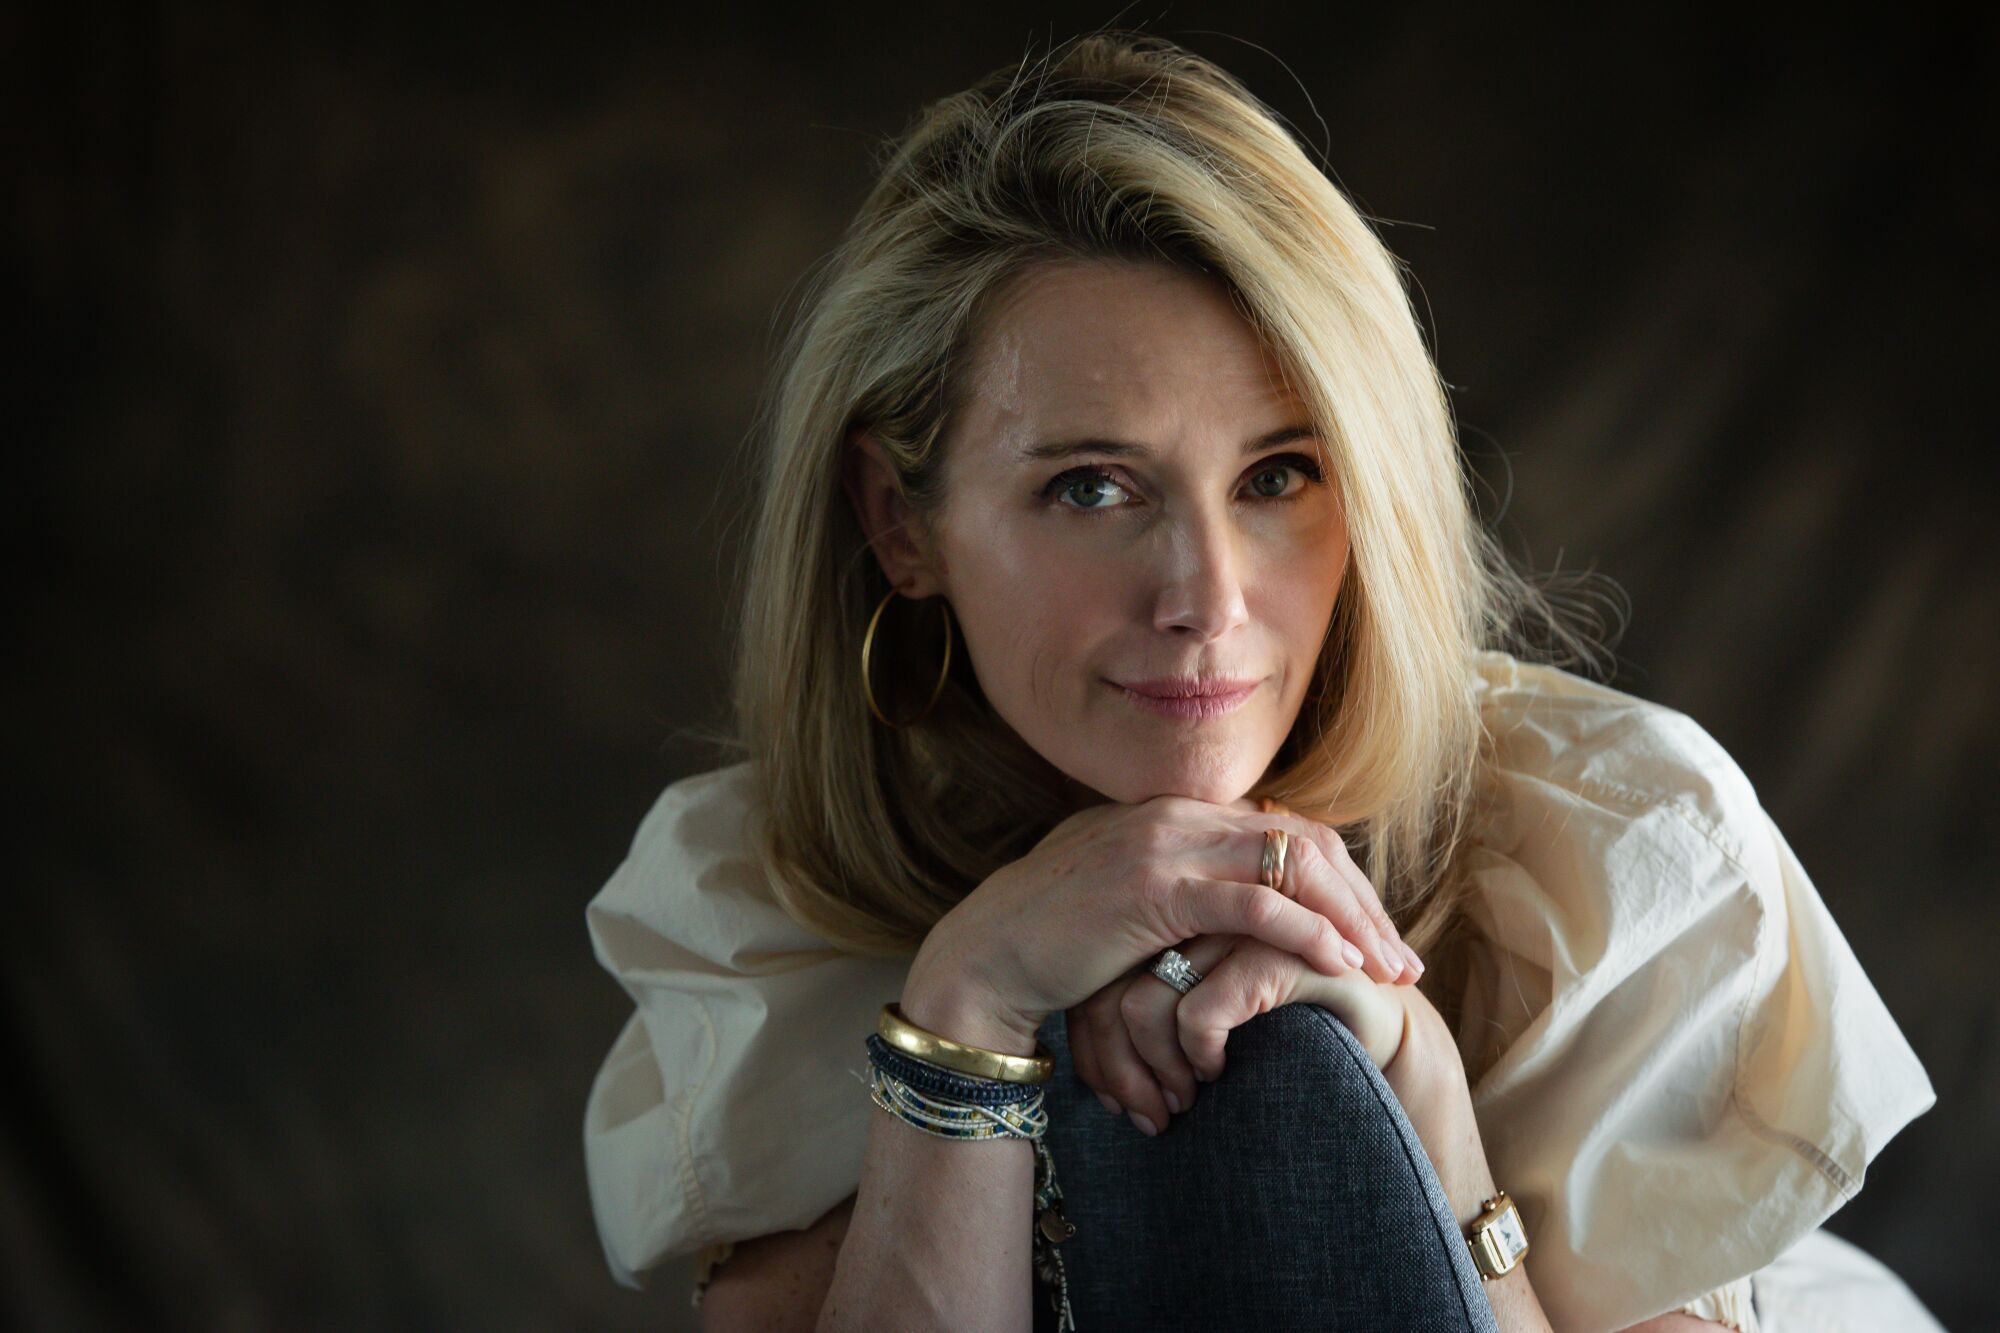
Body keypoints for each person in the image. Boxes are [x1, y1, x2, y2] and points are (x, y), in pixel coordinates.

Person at [581, 31, 1939, 1332]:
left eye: (1278, 476)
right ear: (900, 523)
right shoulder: (758, 895)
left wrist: (1426, 1102)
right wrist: (969, 998)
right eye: (1092, 486)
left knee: (1295, 1085)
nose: (1208, 599)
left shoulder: (1621, 846)